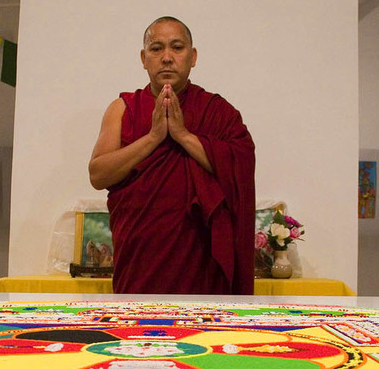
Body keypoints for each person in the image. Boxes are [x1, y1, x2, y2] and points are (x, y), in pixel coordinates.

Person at [88, 16, 255, 295]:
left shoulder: (218, 112)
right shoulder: (123, 109)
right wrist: (153, 137)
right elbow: (98, 174)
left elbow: (241, 167)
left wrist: (182, 135)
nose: (167, 57)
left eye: (177, 47)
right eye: (156, 48)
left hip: (202, 264)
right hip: (139, 263)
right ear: (144, 58)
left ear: (193, 56)